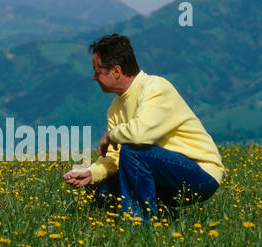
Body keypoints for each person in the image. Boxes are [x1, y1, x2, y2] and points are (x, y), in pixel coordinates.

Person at [63, 34, 225, 224]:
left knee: (134, 151)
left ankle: (140, 227)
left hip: (200, 173)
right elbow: (116, 156)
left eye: (98, 72)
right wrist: (91, 173)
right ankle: (174, 219)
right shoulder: (115, 107)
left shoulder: (155, 88)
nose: (94, 77)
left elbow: (140, 135)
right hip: (163, 171)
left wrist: (111, 136)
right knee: (98, 188)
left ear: (116, 71)